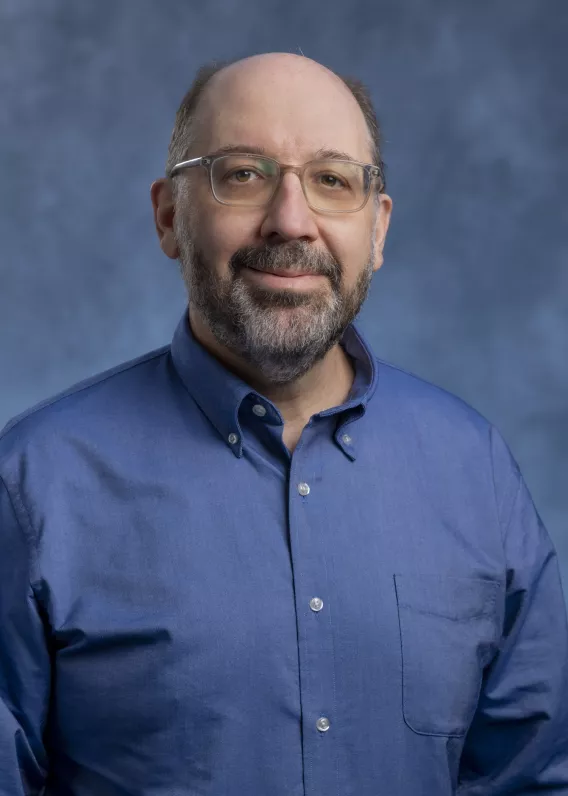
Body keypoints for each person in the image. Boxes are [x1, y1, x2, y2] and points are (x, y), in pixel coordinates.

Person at [0, 51, 566, 796]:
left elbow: (536, 778)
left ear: (379, 229)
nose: (291, 220)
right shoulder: (32, 486)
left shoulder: (474, 469)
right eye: (243, 173)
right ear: (170, 216)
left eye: (333, 180)